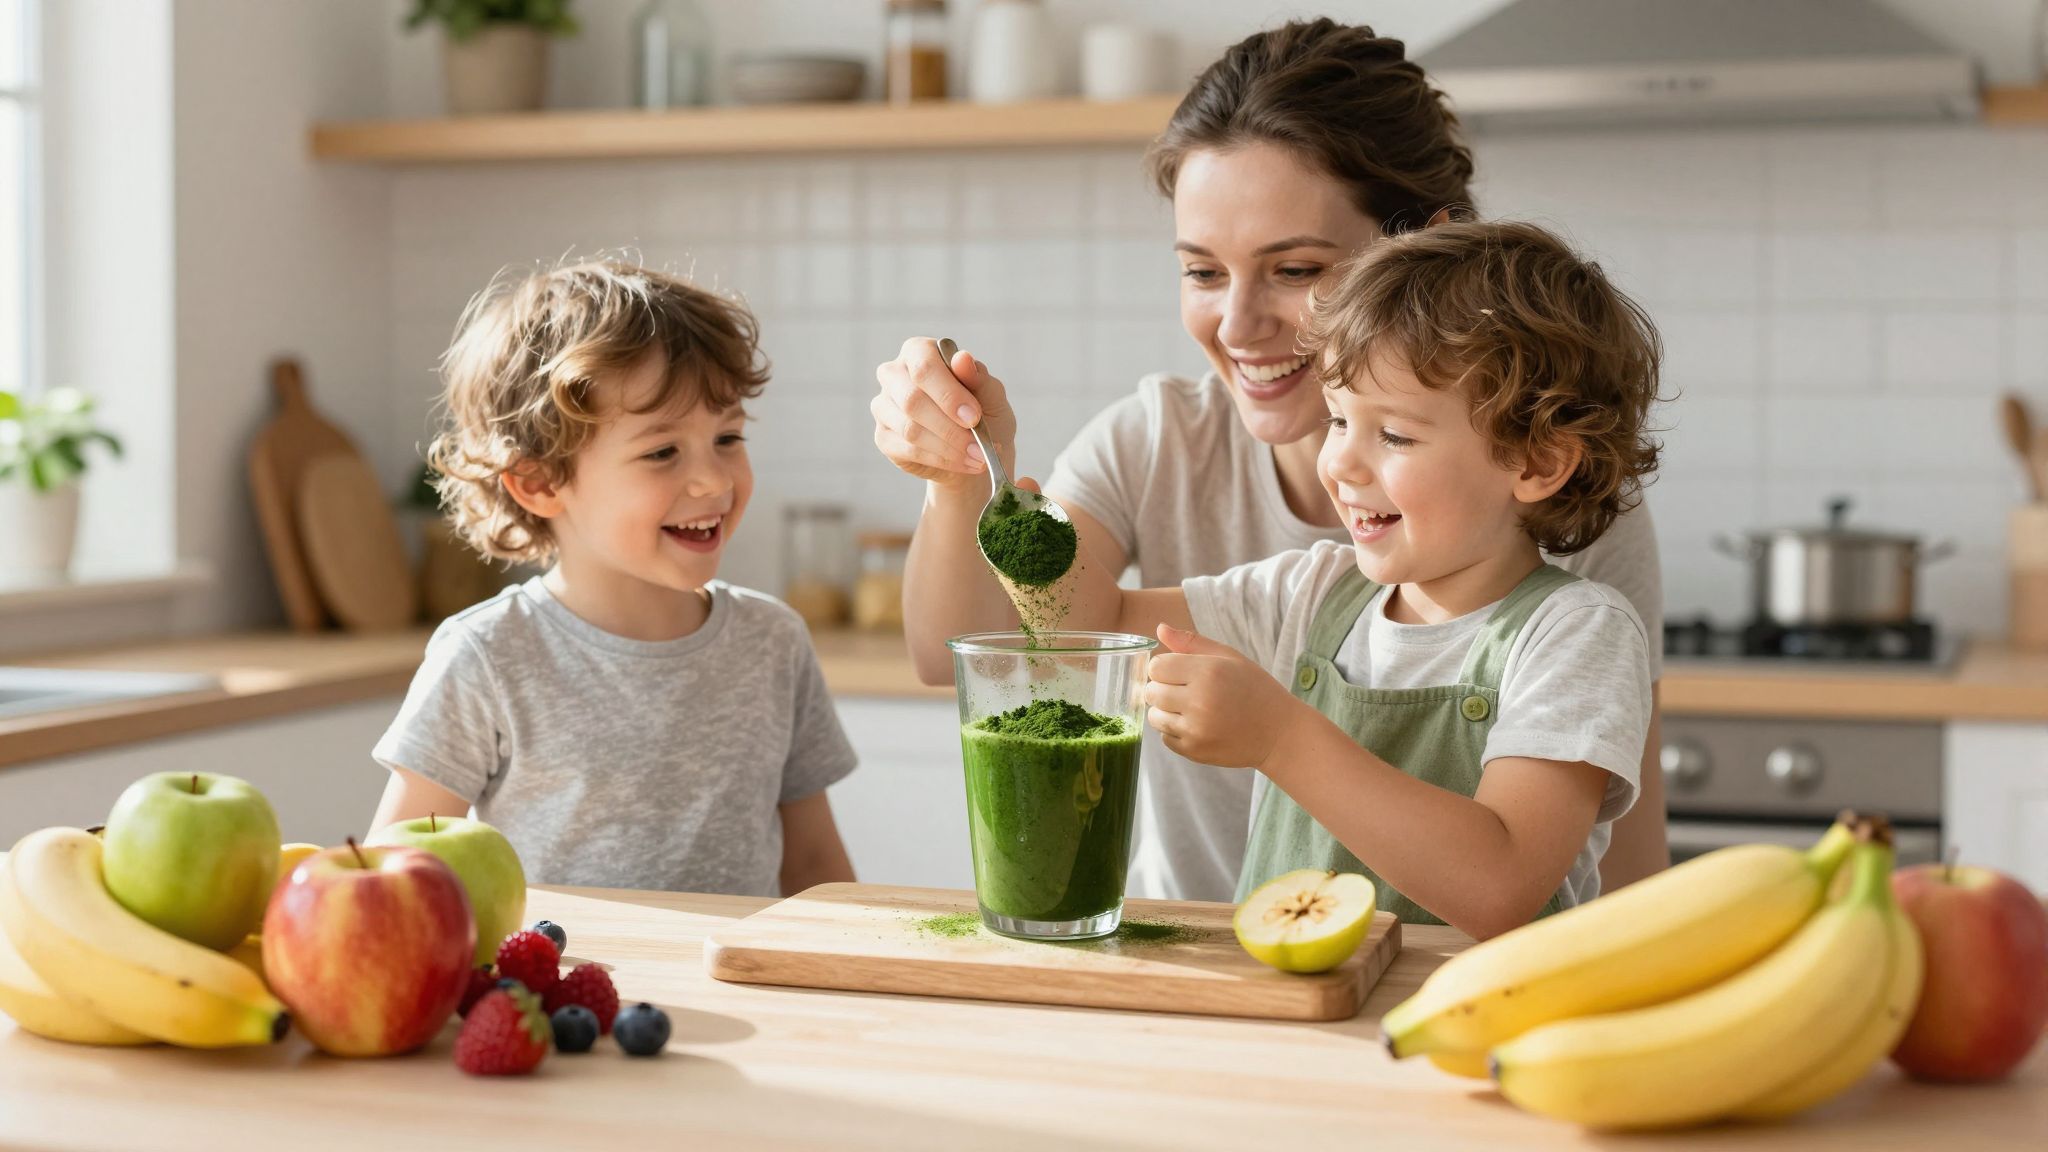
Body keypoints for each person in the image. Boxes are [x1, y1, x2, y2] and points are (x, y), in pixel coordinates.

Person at [870, 18, 1668, 904]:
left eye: (1294, 268)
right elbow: (1046, 639)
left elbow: (1543, 876)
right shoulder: (1306, 584)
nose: (1239, 326)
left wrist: (1283, 736)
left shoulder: (1573, 601)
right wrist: (969, 485)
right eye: (1203, 272)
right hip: (1250, 989)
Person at [918, 220, 1659, 938]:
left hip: (1470, 1032)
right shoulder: (1313, 594)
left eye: (1394, 434)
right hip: (1293, 1022)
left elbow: (1501, 884)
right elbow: (1090, 618)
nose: (1340, 462)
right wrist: (985, 475)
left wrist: (1279, 737)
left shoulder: (1575, 634)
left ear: (1536, 463)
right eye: (1338, 420)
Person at [369, 260, 858, 896]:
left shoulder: (774, 641)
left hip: (744, 989)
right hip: (568, 995)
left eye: (728, 437)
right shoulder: (488, 656)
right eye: (662, 451)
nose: (714, 479)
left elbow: (816, 867)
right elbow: (394, 878)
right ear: (541, 482)